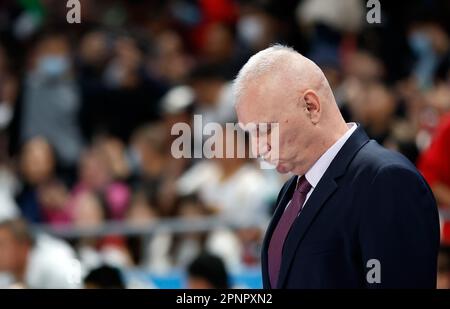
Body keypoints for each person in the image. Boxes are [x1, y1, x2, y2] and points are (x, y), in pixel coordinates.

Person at [234, 45, 440, 288]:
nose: (258, 148)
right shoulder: (292, 190)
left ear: (311, 106)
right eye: (251, 134)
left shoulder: (386, 180)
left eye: (265, 129)